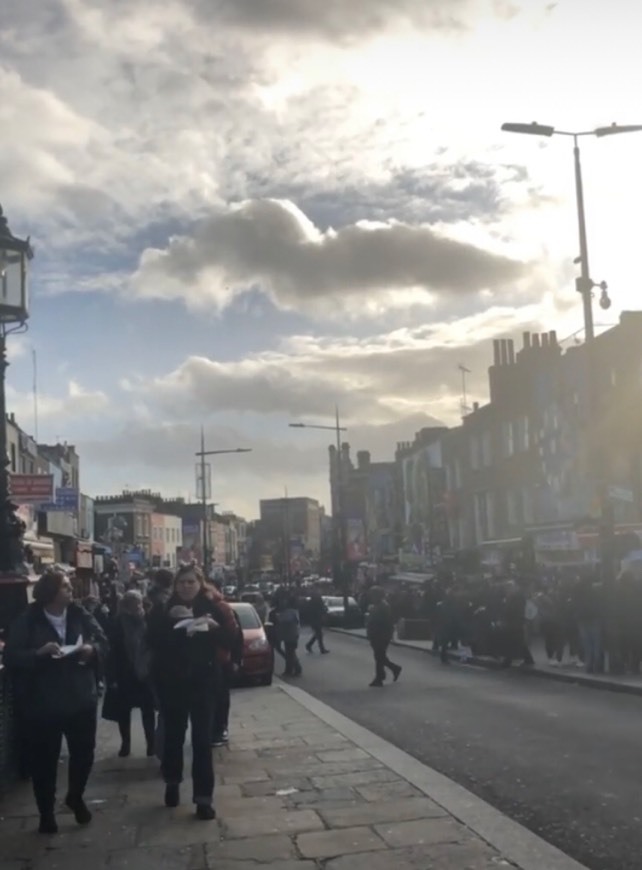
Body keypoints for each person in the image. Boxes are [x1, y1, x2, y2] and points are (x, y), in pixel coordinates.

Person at [5, 568, 108, 834]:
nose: (71, 590)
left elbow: (102, 640)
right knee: (45, 761)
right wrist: (38, 653)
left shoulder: (78, 613)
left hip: (80, 698)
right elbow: (12, 655)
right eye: (65, 587)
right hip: (43, 703)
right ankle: (46, 813)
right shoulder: (28, 619)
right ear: (50, 592)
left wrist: (91, 649)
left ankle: (75, 795)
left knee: (84, 754)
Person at [147, 565, 232, 820]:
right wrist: (172, 623)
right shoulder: (162, 610)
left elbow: (231, 640)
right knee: (174, 737)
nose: (186, 586)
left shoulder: (211, 607)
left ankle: (203, 799)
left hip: (203, 684)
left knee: (202, 741)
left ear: (200, 584)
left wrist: (214, 627)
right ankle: (172, 782)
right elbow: (151, 641)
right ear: (175, 585)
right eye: (182, 582)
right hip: (173, 684)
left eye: (191, 582)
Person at [103, 590, 156, 758]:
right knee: (123, 712)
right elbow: (111, 651)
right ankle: (126, 743)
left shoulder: (148, 619)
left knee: (148, 711)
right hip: (124, 673)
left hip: (145, 673)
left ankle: (151, 744)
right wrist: (111, 677)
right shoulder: (118, 623)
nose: (137, 606)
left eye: (139, 602)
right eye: (133, 603)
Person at [205, 581, 244, 748]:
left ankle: (220, 728)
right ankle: (212, 729)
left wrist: (236, 660)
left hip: (221, 660)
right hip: (204, 661)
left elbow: (235, 638)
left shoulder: (223, 610)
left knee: (220, 696)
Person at [365, 586, 401, 687]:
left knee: (379, 656)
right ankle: (393, 670)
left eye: (373, 594)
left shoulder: (383, 606)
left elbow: (382, 622)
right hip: (376, 634)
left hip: (381, 635)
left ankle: (380, 677)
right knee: (379, 656)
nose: (371, 597)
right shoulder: (378, 605)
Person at [278, 594, 302, 677]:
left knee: (290, 653)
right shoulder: (293, 612)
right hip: (290, 635)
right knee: (290, 653)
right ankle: (290, 669)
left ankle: (296, 668)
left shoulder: (290, 612)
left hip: (291, 635)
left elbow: (284, 621)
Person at [305, 586, 329, 654]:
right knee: (319, 634)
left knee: (318, 634)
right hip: (316, 619)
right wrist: (323, 614)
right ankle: (321, 649)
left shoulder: (312, 601)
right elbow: (322, 608)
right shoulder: (317, 600)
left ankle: (309, 645)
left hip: (315, 619)